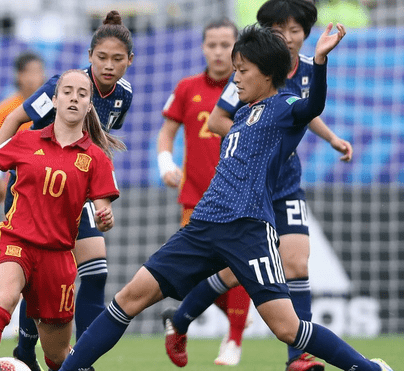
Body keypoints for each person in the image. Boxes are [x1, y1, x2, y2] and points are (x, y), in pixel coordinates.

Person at [58, 23, 393, 371]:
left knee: (286, 327)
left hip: (248, 231)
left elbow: (312, 107)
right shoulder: (243, 112)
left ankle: (369, 368)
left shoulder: (285, 106)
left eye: (243, 71)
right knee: (128, 297)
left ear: (267, 73)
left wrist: (320, 61)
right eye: (236, 70)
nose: (236, 78)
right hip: (202, 226)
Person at [162, 1, 355, 370]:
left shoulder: (301, 72)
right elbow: (219, 120)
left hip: (287, 186)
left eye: (295, 30)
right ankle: (182, 317)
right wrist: (256, 145)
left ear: (305, 34)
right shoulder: (251, 74)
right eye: (280, 30)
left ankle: (298, 358)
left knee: (297, 262)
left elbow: (302, 111)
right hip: (251, 189)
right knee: (234, 272)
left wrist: (331, 138)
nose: (289, 37)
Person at [0, 69, 124, 371]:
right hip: (16, 242)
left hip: (58, 258)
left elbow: (103, 206)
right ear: (54, 99)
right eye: (67, 91)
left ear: (90, 106)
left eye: (82, 94)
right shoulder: (25, 140)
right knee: (4, 300)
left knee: (57, 356)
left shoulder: (96, 158)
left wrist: (106, 216)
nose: (74, 98)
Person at [0, 10, 134, 371]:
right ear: (89, 56)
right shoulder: (63, 85)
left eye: (117, 59)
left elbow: (95, 138)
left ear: (129, 62)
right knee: (34, 276)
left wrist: (100, 187)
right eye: (102, 58)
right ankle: (26, 351)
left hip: (74, 192)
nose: (109, 66)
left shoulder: (123, 96)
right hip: (34, 190)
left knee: (95, 270)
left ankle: (81, 358)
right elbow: (17, 119)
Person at [156, 18, 251, 366]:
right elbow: (166, 132)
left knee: (235, 267)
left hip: (238, 197)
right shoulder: (186, 87)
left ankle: (234, 339)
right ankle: (239, 317)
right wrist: (165, 163)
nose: (218, 51)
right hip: (195, 197)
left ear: (237, 48)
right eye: (212, 44)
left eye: (225, 45)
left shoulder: (248, 86)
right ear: (202, 48)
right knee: (197, 271)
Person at [0, 51, 46, 207]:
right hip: (11, 180)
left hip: (44, 180)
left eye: (38, 71)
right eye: (28, 72)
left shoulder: (53, 107)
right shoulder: (5, 110)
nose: (33, 77)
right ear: (18, 75)